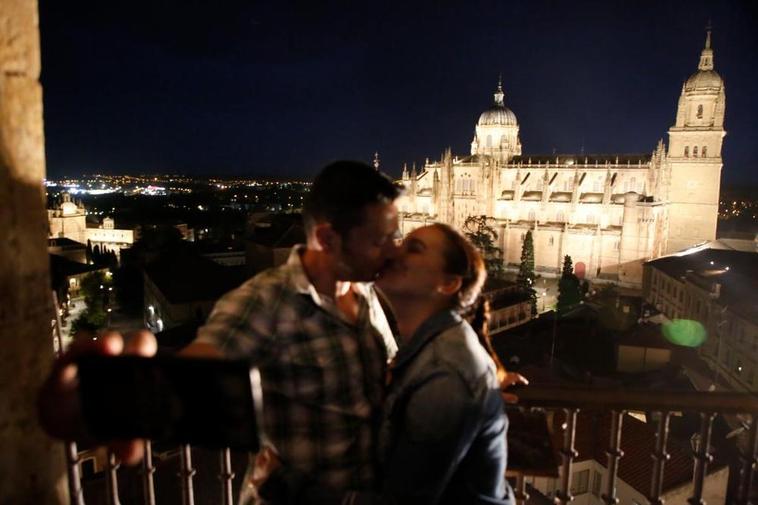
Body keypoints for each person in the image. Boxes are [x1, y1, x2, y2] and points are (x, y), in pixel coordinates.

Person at [39, 160, 404, 502]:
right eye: (379, 240)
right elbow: (192, 380)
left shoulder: (364, 290)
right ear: (327, 239)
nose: (393, 252)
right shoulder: (263, 304)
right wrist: (100, 403)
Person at [259, 223, 520, 505]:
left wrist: (283, 485)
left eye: (414, 249)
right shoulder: (432, 352)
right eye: (401, 242)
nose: (393, 251)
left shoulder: (445, 373)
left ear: (448, 284)